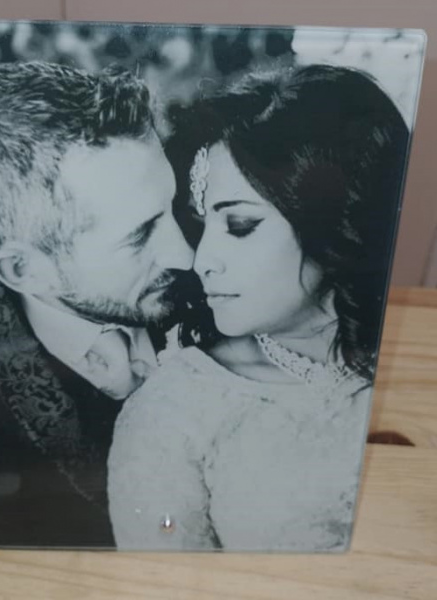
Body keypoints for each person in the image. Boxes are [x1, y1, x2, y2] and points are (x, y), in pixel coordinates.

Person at [107, 64, 411, 552]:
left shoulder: (413, 356)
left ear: (334, 218)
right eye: (202, 227)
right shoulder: (175, 411)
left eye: (240, 226)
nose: (202, 261)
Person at [0, 61, 193, 547]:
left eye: (173, 207)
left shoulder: (230, 247)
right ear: (23, 271)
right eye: (140, 236)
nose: (186, 254)